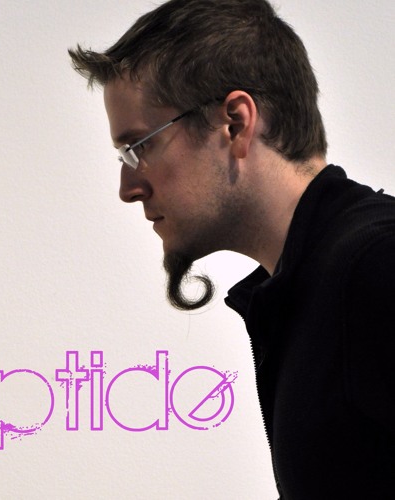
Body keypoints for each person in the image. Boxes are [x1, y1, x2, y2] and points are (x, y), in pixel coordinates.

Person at [68, 0, 395, 497]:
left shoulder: (375, 266)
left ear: (236, 124)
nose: (128, 187)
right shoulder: (313, 284)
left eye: (139, 147)